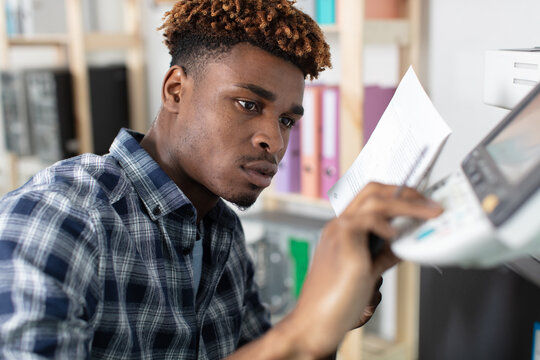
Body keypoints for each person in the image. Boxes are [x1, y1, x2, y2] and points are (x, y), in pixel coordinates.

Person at [0, 0, 442, 358]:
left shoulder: (221, 232)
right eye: (248, 104)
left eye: (288, 120)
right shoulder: (57, 215)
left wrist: (332, 318)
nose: (274, 139)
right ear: (175, 90)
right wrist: (301, 331)